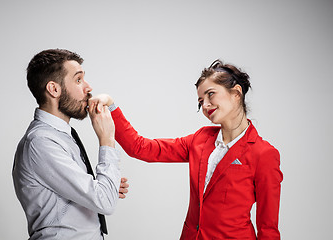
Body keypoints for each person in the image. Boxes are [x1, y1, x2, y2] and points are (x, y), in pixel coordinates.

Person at [92, 59, 283, 239]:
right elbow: (141, 148)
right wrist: (111, 105)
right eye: (200, 101)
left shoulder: (264, 154)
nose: (206, 105)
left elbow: (268, 228)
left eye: (210, 94)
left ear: (236, 93)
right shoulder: (200, 139)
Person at [12, 49, 128, 240]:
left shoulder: (61, 136)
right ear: (54, 89)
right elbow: (105, 202)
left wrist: (108, 183)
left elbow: (91, 195)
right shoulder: (41, 143)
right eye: (78, 80)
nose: (88, 88)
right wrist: (107, 139)